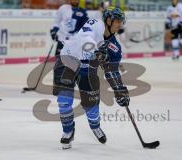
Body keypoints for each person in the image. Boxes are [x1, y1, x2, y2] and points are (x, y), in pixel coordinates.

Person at [53, 7, 130, 149]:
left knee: (91, 104)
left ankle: (95, 126)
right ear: (108, 20)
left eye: (121, 21)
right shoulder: (96, 23)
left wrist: (120, 91)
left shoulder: (115, 47)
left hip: (88, 68)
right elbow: (84, 38)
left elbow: (112, 71)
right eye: (117, 20)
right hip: (67, 60)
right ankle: (68, 131)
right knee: (64, 101)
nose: (120, 24)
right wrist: (97, 50)